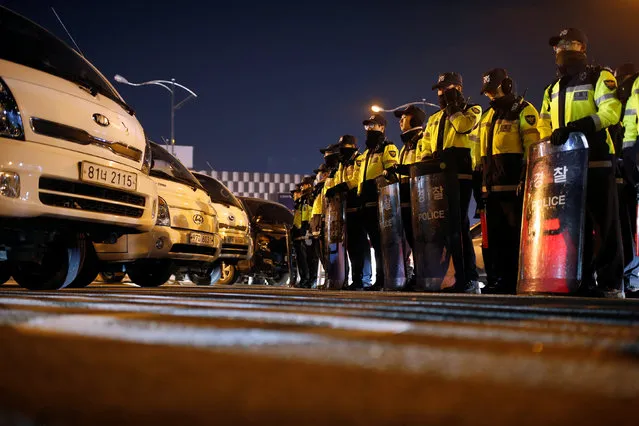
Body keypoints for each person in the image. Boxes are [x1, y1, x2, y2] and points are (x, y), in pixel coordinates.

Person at [539, 28, 624, 298]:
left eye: (567, 45)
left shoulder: (600, 76)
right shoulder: (552, 88)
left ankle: (610, 284)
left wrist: (582, 126)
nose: (561, 51)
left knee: (605, 224)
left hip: (597, 160)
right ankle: (582, 281)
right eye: (557, 47)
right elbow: (543, 125)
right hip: (567, 165)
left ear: (581, 47)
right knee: (574, 228)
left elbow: (611, 111)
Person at [416, 72, 482, 293]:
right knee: (444, 230)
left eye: (446, 88)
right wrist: (426, 162)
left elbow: (463, 127)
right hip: (438, 177)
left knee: (459, 228)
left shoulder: (472, 110)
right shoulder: (434, 119)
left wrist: (454, 107)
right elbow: (424, 148)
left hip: (461, 176)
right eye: (439, 90)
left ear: (459, 88)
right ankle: (452, 278)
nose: (441, 93)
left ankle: (469, 278)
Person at [477, 68, 541, 294]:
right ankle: (498, 281)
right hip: (490, 189)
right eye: (487, 93)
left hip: (514, 188)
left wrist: (527, 176)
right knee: (494, 240)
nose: (490, 96)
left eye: (493, 91)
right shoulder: (487, 116)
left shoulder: (524, 110)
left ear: (507, 85)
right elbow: (479, 153)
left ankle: (516, 281)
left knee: (515, 239)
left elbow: (532, 147)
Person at [358, 114, 399, 290]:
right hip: (365, 203)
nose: (369, 130)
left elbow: (391, 173)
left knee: (383, 242)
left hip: (380, 202)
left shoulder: (387, 148)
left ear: (382, 128)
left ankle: (385, 278)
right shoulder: (366, 154)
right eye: (367, 127)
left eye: (373, 126)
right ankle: (379, 278)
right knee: (374, 243)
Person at [331, 135, 372, 289]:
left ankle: (364, 279)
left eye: (344, 147)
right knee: (352, 247)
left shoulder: (359, 160)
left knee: (361, 246)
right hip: (347, 209)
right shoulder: (343, 164)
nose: (341, 150)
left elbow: (356, 180)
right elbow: (338, 182)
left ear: (352, 146)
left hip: (359, 207)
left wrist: (340, 187)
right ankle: (356, 279)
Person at [392, 104, 426, 288]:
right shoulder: (404, 147)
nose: (400, 121)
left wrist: (402, 170)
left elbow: (424, 163)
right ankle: (418, 274)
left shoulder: (422, 139)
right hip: (405, 197)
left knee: (422, 237)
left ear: (414, 119)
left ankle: (424, 273)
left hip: (420, 195)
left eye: (404, 117)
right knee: (412, 238)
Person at [615, 63, 639, 297]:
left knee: (632, 228)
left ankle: (633, 278)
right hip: (629, 171)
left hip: (631, 170)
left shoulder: (633, 93)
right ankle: (632, 278)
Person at [300, 175, 319, 287]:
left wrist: (310, 229)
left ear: (309, 185)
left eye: (304, 185)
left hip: (312, 230)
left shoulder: (312, 196)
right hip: (306, 231)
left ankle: (313, 280)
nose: (302, 187)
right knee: (308, 256)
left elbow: (312, 214)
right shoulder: (305, 198)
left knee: (313, 257)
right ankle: (309, 280)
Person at [291, 184, 310, 288]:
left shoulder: (306, 201)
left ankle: (307, 280)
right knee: (301, 259)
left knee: (306, 259)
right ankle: (303, 280)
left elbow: (307, 217)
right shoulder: (299, 204)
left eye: (295, 192)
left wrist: (306, 230)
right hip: (298, 234)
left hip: (303, 234)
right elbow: (297, 220)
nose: (294, 195)